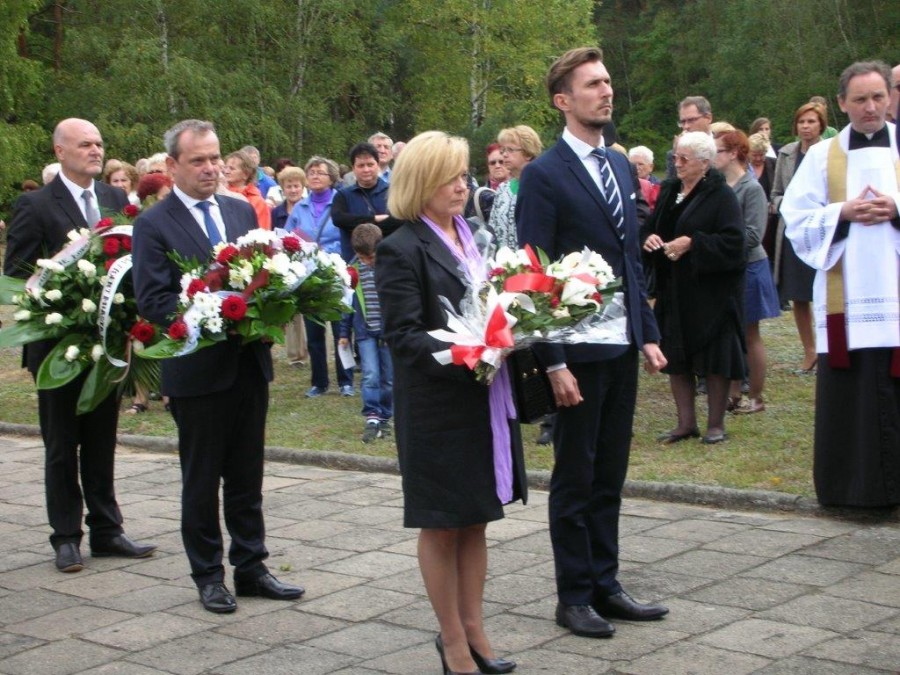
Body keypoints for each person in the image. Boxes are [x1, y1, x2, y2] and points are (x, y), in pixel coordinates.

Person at [516, 47, 668, 640]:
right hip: (574, 354)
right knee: (575, 477)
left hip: (620, 345)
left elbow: (630, 258)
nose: (606, 92)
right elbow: (530, 271)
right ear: (563, 100)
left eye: (607, 82)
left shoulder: (621, 166)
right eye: (592, 85)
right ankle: (573, 595)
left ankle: (607, 583)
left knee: (610, 473)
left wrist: (647, 333)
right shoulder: (544, 174)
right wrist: (550, 359)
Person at [132, 119, 303, 612]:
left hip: (248, 365)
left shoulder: (237, 209)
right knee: (202, 479)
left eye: (214, 158)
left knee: (248, 476)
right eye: (198, 160)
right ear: (172, 166)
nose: (210, 168)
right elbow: (153, 299)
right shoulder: (154, 223)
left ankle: (251, 566)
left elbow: (265, 273)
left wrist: (269, 302)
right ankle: (208, 574)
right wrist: (207, 313)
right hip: (197, 371)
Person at [376, 130, 525, 674]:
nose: (463, 186)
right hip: (438, 405)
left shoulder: (474, 237)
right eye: (451, 176)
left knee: (476, 519)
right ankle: (452, 641)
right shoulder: (400, 246)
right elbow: (404, 336)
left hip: (483, 398)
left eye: (464, 175)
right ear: (421, 181)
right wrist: (470, 350)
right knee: (442, 523)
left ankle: (476, 629)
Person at [4, 118, 157, 573]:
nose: (95, 150)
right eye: (84, 144)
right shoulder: (34, 205)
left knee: (101, 440)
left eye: (98, 144)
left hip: (107, 346)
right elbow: (17, 276)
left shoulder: (114, 200)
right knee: (61, 443)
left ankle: (108, 531)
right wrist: (68, 301)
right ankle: (66, 536)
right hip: (57, 348)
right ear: (60, 151)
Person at [781, 61, 899, 508]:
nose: (870, 108)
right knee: (853, 397)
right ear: (842, 104)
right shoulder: (821, 157)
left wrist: (897, 208)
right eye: (860, 99)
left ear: (889, 96)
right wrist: (841, 214)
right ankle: (851, 489)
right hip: (845, 299)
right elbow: (796, 219)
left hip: (894, 290)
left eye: (877, 97)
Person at [642, 131, 745, 444]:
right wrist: (648, 238)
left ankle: (716, 425)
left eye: (683, 158)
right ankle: (685, 422)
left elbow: (734, 243)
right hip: (674, 289)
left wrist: (694, 243)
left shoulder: (720, 195)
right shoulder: (670, 189)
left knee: (714, 357)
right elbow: (650, 227)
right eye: (675, 157)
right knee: (676, 356)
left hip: (710, 293)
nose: (677, 163)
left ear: (705, 162)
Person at [714, 130, 780, 414]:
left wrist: (716, 242)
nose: (712, 156)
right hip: (727, 267)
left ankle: (756, 396)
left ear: (733, 153)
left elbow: (754, 235)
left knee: (750, 333)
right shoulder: (718, 185)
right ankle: (733, 393)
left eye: (717, 150)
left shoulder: (751, 188)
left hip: (750, 266)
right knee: (731, 331)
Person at [286, 156, 354, 396]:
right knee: (314, 333)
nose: (314, 176)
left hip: (335, 274)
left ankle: (346, 381)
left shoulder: (341, 202)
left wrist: (329, 252)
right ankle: (319, 382)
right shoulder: (300, 207)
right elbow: (287, 238)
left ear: (332, 177)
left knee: (341, 331)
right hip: (309, 277)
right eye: (311, 172)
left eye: (319, 172)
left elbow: (348, 237)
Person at [771, 102, 827, 373]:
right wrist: (788, 204)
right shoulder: (786, 154)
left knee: (826, 292)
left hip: (823, 231)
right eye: (802, 122)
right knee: (798, 295)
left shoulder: (831, 153)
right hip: (793, 232)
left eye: (812, 122)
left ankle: (830, 346)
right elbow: (775, 194)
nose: (806, 126)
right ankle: (810, 350)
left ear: (821, 126)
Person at [339, 224, 393, 443]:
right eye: (362, 257)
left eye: (370, 257)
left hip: (387, 334)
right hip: (365, 333)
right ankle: (371, 415)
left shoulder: (389, 269)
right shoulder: (352, 271)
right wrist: (344, 332)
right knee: (370, 374)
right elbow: (347, 305)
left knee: (388, 378)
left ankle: (386, 416)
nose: (367, 261)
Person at [332, 142, 403, 261]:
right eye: (361, 165)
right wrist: (375, 219)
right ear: (353, 168)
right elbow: (339, 219)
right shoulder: (343, 195)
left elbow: (399, 220)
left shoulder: (393, 192)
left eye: (370, 164)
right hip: (354, 264)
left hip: (389, 260)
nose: (366, 169)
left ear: (378, 165)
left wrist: (357, 224)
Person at [488, 125, 542, 251]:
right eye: (503, 150)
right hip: (504, 266)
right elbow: (492, 228)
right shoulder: (502, 189)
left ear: (528, 154)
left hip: (534, 265)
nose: (504, 155)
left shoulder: (542, 186)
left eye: (510, 150)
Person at [222, 150, 272, 230]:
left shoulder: (257, 201)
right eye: (225, 167)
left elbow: (262, 234)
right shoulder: (219, 194)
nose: (226, 171)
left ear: (246, 174)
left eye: (232, 169)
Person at [666, 96, 713, 178]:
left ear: (708, 118)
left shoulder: (724, 147)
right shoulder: (673, 154)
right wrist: (677, 154)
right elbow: (670, 187)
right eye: (683, 122)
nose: (686, 126)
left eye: (691, 120)